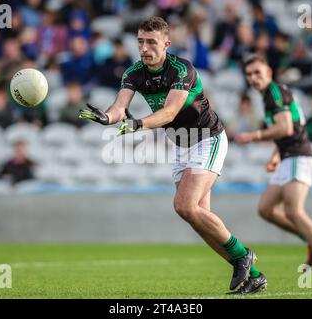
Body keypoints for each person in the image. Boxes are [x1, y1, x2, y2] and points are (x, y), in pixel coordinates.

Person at [79, 16, 266, 294]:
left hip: (207, 138)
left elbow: (170, 111)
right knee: (198, 216)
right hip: (181, 144)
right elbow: (120, 106)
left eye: (151, 42)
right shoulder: (133, 73)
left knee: (184, 206)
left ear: (166, 43)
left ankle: (242, 256)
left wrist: (138, 124)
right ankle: (255, 276)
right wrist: (107, 117)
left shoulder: (182, 69)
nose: (144, 48)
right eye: (140, 41)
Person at [233, 53, 312, 273]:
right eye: (249, 74)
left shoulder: (273, 93)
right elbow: (288, 131)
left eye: (257, 73)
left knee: (294, 211)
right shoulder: (270, 95)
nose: (253, 78)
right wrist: (275, 155)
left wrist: (253, 136)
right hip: (288, 156)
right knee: (265, 209)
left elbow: (286, 128)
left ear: (268, 72)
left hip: (299, 156)